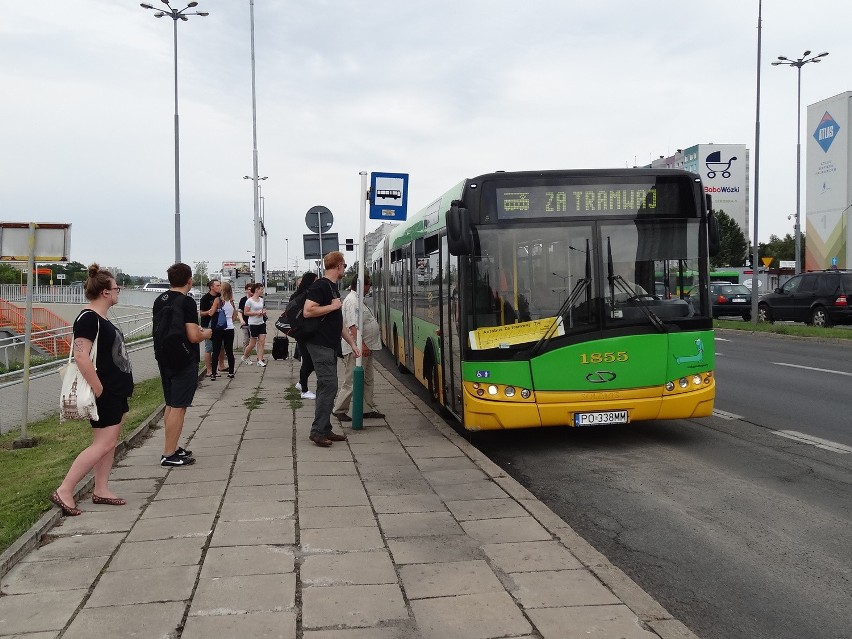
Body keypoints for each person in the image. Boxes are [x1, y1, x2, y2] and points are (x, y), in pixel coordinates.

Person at [49, 264, 135, 516]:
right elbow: (81, 356)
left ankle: (101, 488)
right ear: (106, 292)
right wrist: (100, 390)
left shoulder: (101, 318)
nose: (119, 291)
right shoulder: (88, 318)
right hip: (104, 391)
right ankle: (65, 489)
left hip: (114, 390)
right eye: (116, 288)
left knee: (107, 443)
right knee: (104, 442)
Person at [153, 262, 211, 467]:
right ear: (190, 280)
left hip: (164, 357)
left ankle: (172, 446)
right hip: (184, 359)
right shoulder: (186, 302)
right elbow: (194, 336)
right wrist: (207, 333)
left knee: (171, 404)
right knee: (179, 407)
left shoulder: (160, 299)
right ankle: (169, 454)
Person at [303, 252, 360, 447]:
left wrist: (352, 343)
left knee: (326, 387)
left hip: (328, 344)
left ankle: (325, 428)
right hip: (320, 344)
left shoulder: (332, 288)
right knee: (329, 385)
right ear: (338, 266)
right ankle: (318, 431)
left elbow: (338, 322)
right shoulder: (320, 286)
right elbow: (308, 310)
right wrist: (331, 306)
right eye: (344, 265)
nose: (345, 268)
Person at [333, 273, 385, 422]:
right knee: (351, 380)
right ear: (363, 285)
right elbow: (352, 326)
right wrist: (361, 345)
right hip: (357, 348)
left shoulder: (358, 300)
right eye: (369, 285)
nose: (370, 288)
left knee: (368, 379)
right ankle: (339, 409)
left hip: (366, 347)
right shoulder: (352, 301)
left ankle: (366, 408)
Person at [289, 272, 317, 399]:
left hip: (300, 331)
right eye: (315, 280)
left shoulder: (296, 295)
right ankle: (304, 390)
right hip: (305, 331)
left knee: (309, 361)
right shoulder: (307, 295)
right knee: (308, 361)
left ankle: (301, 383)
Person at [210, 281, 239, 380]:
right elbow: (235, 314)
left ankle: (213, 373)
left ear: (222, 289)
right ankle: (231, 372)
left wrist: (211, 311)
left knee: (216, 351)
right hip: (230, 328)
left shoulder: (217, 300)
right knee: (229, 351)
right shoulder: (231, 301)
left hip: (219, 328)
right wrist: (230, 320)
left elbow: (211, 313)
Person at [199, 279, 224, 376]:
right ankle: (209, 370)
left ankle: (221, 365)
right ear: (211, 287)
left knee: (221, 346)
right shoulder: (205, 298)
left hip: (219, 324)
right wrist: (210, 311)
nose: (219, 287)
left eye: (220, 285)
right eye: (217, 285)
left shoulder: (220, 297)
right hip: (208, 325)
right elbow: (201, 313)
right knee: (209, 347)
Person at [241, 283, 268, 367]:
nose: (262, 291)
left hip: (261, 322)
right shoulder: (249, 301)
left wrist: (263, 312)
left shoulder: (261, 299)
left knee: (262, 342)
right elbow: (246, 312)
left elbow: (262, 308)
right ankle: (245, 356)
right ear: (256, 290)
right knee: (252, 343)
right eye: (261, 289)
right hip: (253, 323)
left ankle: (260, 360)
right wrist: (256, 313)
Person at [237, 282, 252, 350]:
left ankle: (259, 356)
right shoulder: (243, 300)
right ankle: (245, 355)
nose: (251, 290)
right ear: (246, 290)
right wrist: (241, 320)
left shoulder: (258, 299)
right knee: (246, 339)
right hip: (246, 322)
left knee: (256, 339)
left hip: (255, 322)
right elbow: (240, 311)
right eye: (249, 289)